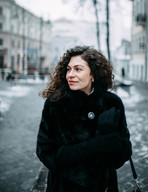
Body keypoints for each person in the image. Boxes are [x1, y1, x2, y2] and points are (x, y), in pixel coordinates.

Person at [36, 45, 132, 192]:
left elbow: (122, 156)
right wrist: (95, 145)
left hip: (104, 186)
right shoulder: (55, 104)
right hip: (63, 187)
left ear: (93, 74)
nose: (70, 74)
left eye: (78, 69)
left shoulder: (111, 103)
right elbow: (46, 152)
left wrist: (111, 137)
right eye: (68, 69)